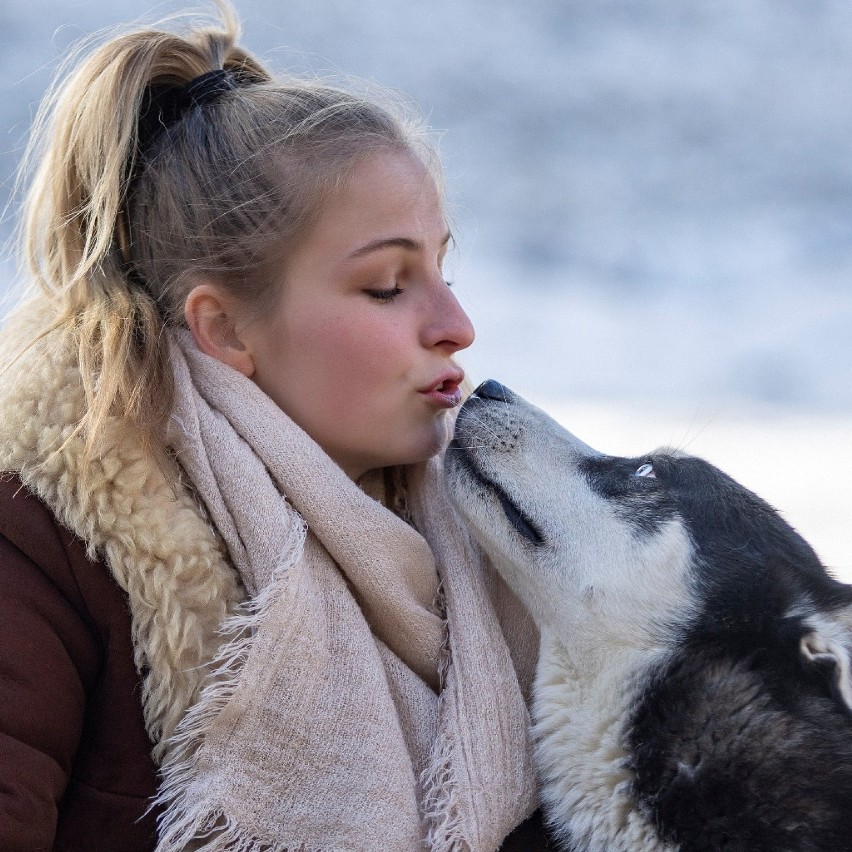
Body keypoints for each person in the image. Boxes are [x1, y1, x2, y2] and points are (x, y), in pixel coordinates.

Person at [0, 5, 554, 851]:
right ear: (227, 332)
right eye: (386, 286)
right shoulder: (43, 542)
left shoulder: (504, 557)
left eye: (442, 268)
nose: (456, 325)